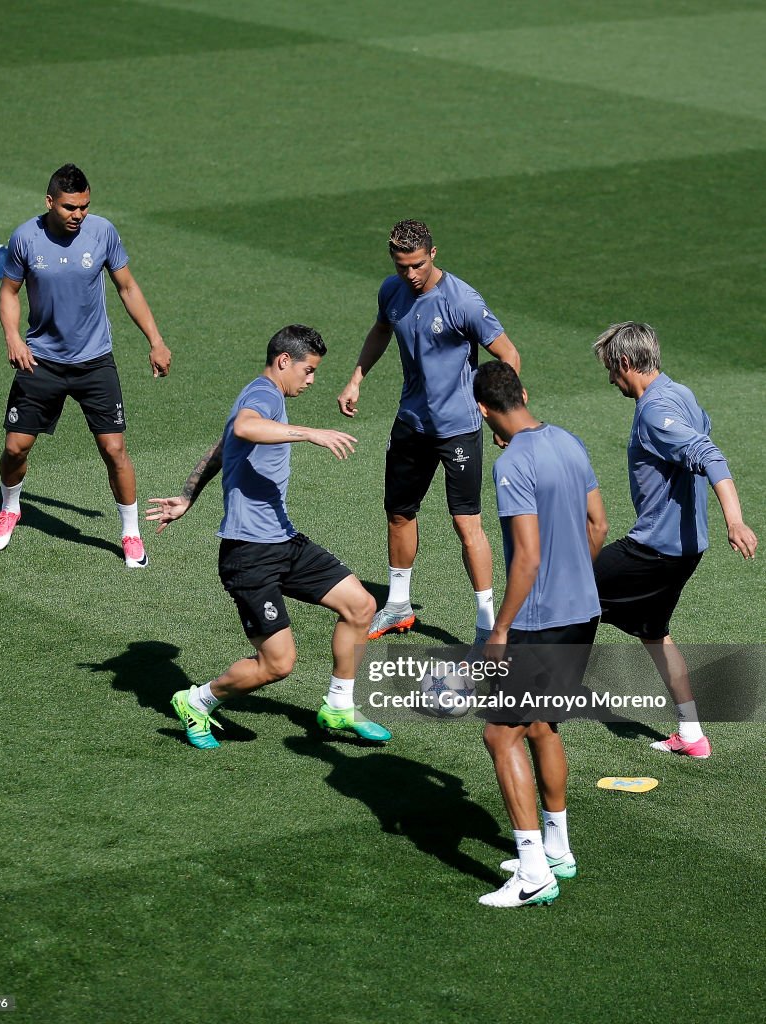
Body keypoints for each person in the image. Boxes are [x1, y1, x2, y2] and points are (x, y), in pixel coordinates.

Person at [146, 324, 391, 750]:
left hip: (283, 540)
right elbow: (243, 428)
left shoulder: (270, 396)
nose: (311, 380)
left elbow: (223, 446)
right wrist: (310, 433)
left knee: (361, 605)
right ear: (283, 362)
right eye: (309, 371)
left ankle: (338, 705)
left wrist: (188, 496)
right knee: (278, 665)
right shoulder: (262, 395)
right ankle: (197, 701)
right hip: (248, 555)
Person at [337, 219, 520, 644]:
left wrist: (502, 414)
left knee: (466, 522)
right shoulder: (392, 291)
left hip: (458, 428)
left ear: (433, 255)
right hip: (411, 423)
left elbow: (508, 353)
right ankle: (398, 605)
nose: (411, 275)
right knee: (399, 512)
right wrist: (356, 378)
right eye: (402, 267)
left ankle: (485, 623)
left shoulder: (463, 301)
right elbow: (382, 328)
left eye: (418, 265)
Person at [472, 362, 608, 908]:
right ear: (523, 394)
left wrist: (501, 627)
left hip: (539, 620)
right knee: (544, 726)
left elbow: (526, 557)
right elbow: (597, 524)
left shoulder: (512, 464)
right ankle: (558, 849)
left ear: (483, 411)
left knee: (501, 735)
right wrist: (576, 574)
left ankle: (533, 872)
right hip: (584, 613)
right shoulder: (570, 443)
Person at [0, 163, 171, 566]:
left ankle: (131, 534)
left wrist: (155, 340)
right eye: (71, 207)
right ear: (50, 201)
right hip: (41, 361)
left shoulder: (102, 231)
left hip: (94, 362)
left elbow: (127, 286)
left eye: (85, 206)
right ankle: (10, 508)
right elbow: (9, 292)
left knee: (115, 449)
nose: (79, 215)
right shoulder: (26, 238)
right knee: (15, 448)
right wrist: (13, 337)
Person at [593, 322, 758, 757]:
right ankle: (691, 734)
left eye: (612, 369)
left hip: (653, 550)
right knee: (654, 634)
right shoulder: (679, 392)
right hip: (686, 550)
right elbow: (703, 432)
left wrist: (735, 520)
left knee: (564, 587)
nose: (611, 380)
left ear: (626, 363)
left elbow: (707, 453)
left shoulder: (653, 410)